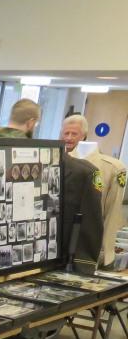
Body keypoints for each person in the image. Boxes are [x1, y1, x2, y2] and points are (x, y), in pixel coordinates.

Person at [62, 114, 126, 266]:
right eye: (66, 133)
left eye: (74, 134)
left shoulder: (113, 168)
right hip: (62, 239)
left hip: (90, 241)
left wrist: (105, 251)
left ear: (84, 135)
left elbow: (112, 213)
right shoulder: (57, 161)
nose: (69, 138)